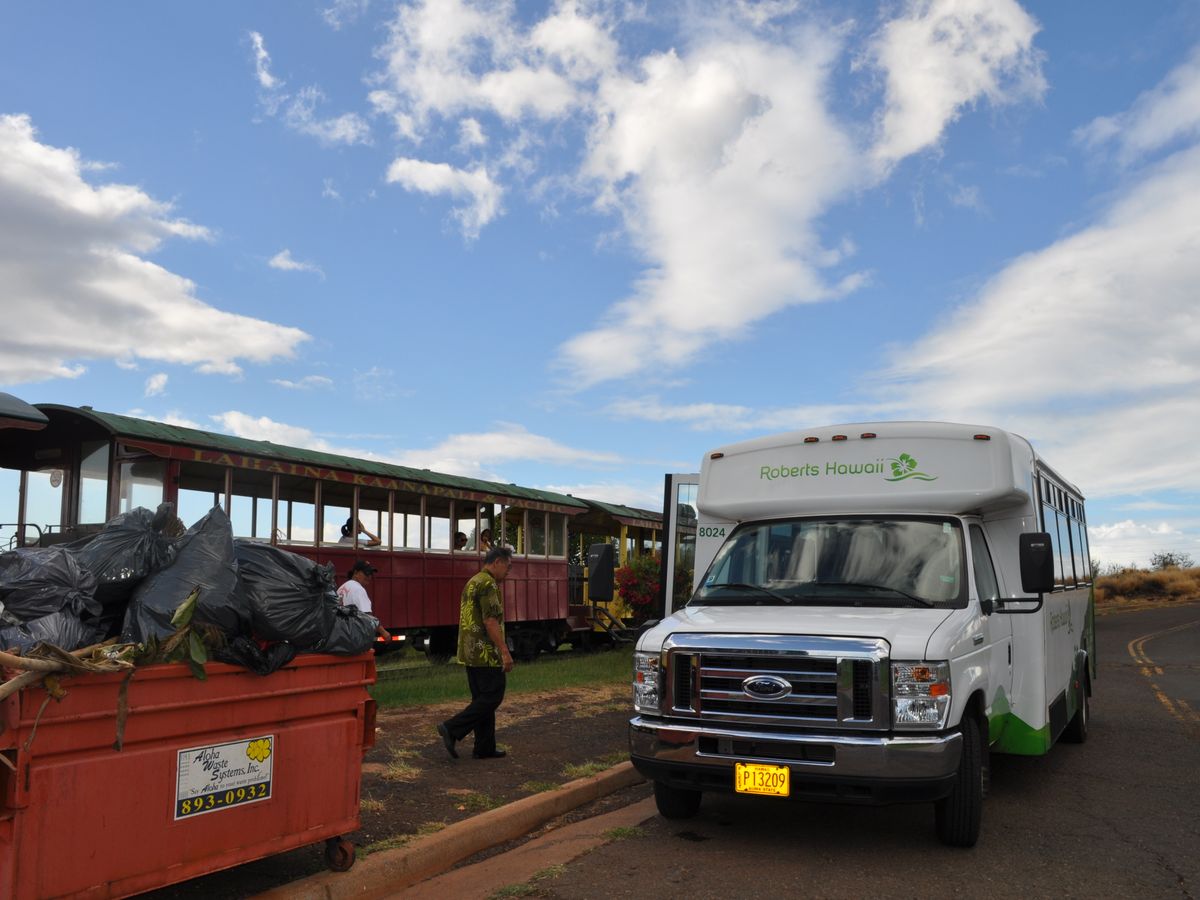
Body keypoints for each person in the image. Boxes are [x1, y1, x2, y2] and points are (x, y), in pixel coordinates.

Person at [437, 546, 514, 760]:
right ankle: (451, 728)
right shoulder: (488, 584)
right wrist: (504, 651)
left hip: (470, 652)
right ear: (497, 562)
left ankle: (484, 747)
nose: (508, 572)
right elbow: (490, 621)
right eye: (508, 567)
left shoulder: (473, 581)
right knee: (493, 696)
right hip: (485, 652)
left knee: (481, 699)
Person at [336, 560, 391, 642]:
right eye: (366, 573)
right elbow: (367, 616)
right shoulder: (358, 589)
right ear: (356, 573)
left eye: (371, 574)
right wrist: (384, 632)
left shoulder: (342, 588)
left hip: (339, 635)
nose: (369, 577)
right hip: (352, 637)